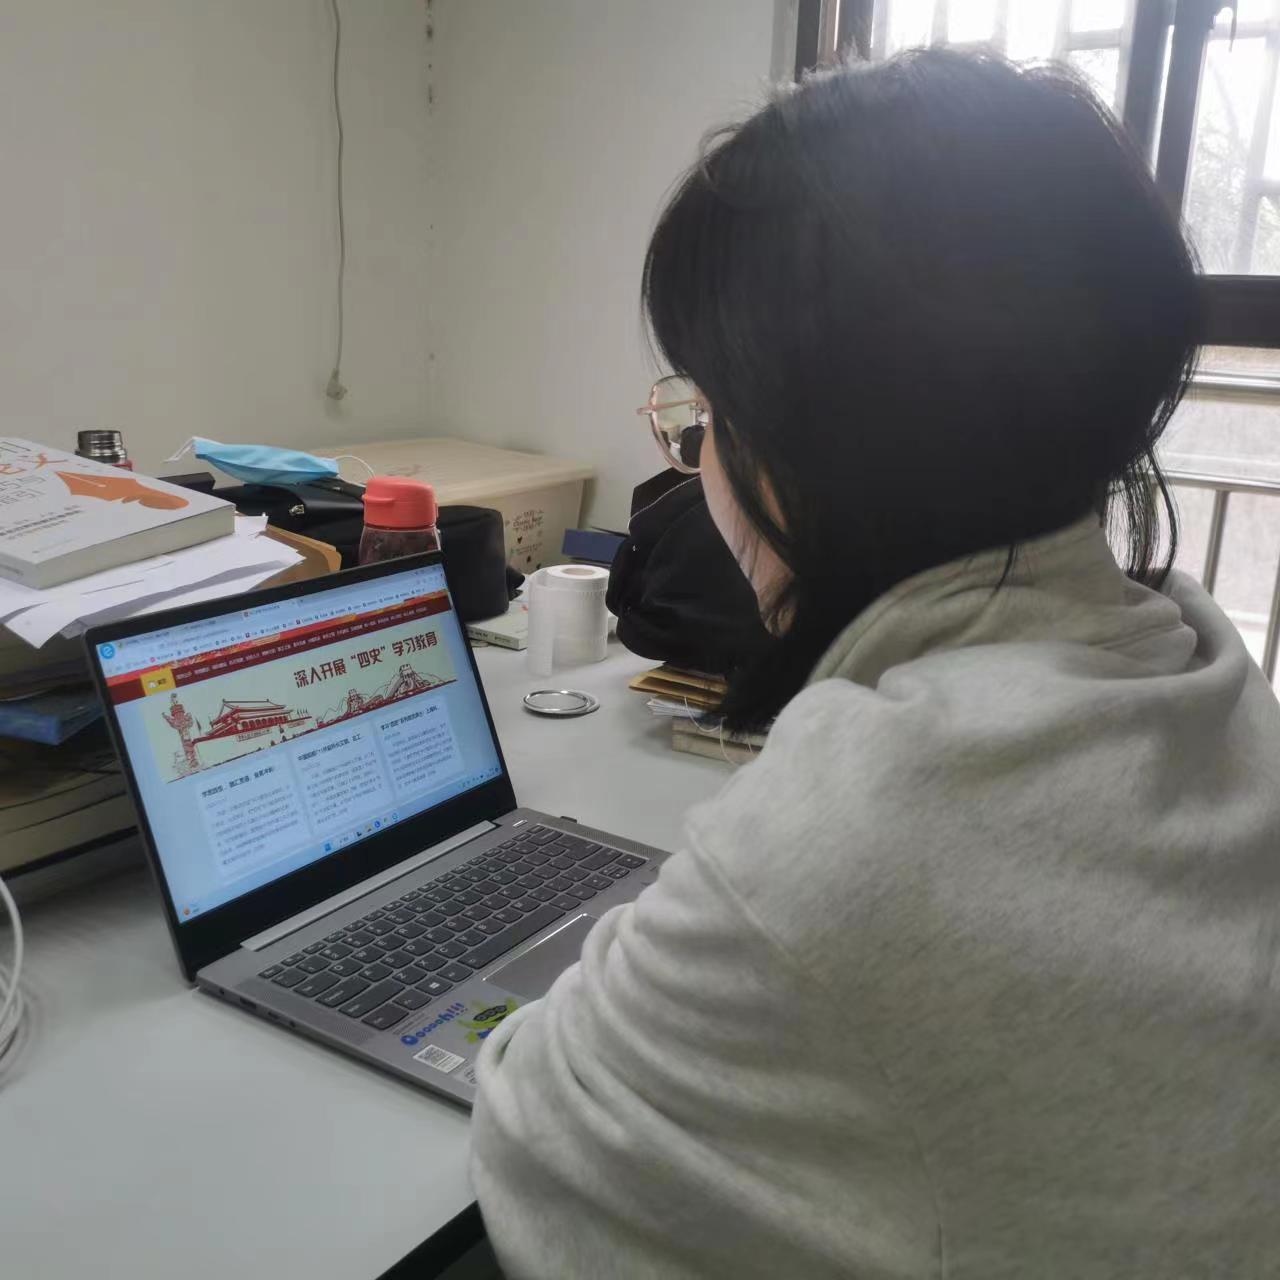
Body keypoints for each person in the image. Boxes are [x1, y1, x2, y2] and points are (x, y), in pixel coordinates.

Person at [470, 48, 1280, 1278]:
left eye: (707, 419)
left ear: (808, 444)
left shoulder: (856, 832)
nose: (698, 463)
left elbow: (537, 1146)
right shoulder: (1197, 665)